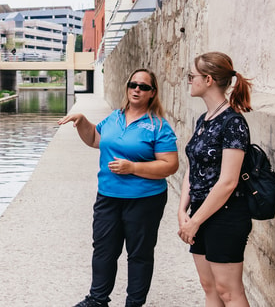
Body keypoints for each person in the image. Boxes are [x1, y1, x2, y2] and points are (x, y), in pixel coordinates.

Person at [59, 69, 179, 307]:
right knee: (104, 249)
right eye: (133, 84)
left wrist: (133, 167)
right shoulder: (114, 117)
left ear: (152, 93)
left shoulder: (158, 126)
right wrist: (82, 120)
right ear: (127, 87)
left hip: (144, 199)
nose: (137, 89)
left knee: (139, 254)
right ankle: (97, 299)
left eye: (144, 87)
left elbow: (170, 165)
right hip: (108, 196)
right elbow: (95, 139)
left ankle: (134, 303)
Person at [177, 52, 254, 307]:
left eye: (192, 76)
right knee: (209, 287)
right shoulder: (204, 119)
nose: (189, 81)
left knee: (228, 291)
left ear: (208, 79)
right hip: (200, 212)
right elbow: (193, 165)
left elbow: (229, 182)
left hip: (227, 214)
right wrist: (182, 210)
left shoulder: (233, 123)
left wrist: (194, 222)